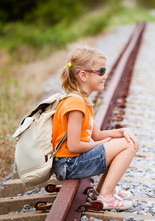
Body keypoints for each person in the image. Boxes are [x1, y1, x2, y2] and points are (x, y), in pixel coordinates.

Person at [52, 46, 139, 210]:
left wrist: (122, 132)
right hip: (69, 164)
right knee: (129, 144)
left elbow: (97, 135)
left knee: (123, 140)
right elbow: (74, 145)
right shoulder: (75, 103)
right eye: (100, 71)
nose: (105, 76)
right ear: (83, 75)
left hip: (72, 161)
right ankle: (106, 196)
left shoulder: (82, 101)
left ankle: (102, 189)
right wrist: (102, 145)